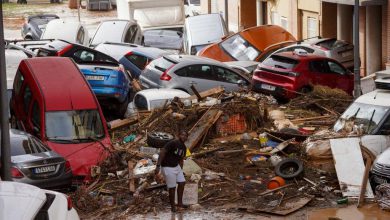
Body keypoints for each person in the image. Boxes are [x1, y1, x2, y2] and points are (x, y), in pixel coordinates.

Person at [155, 130, 189, 212]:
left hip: (176, 166)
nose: (183, 137)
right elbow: (162, 152)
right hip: (167, 167)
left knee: (182, 183)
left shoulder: (184, 147)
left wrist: (181, 169)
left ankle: (180, 204)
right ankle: (173, 207)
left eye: (185, 136)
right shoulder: (173, 143)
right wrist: (158, 166)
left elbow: (181, 159)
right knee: (172, 187)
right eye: (182, 135)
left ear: (187, 138)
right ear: (178, 135)